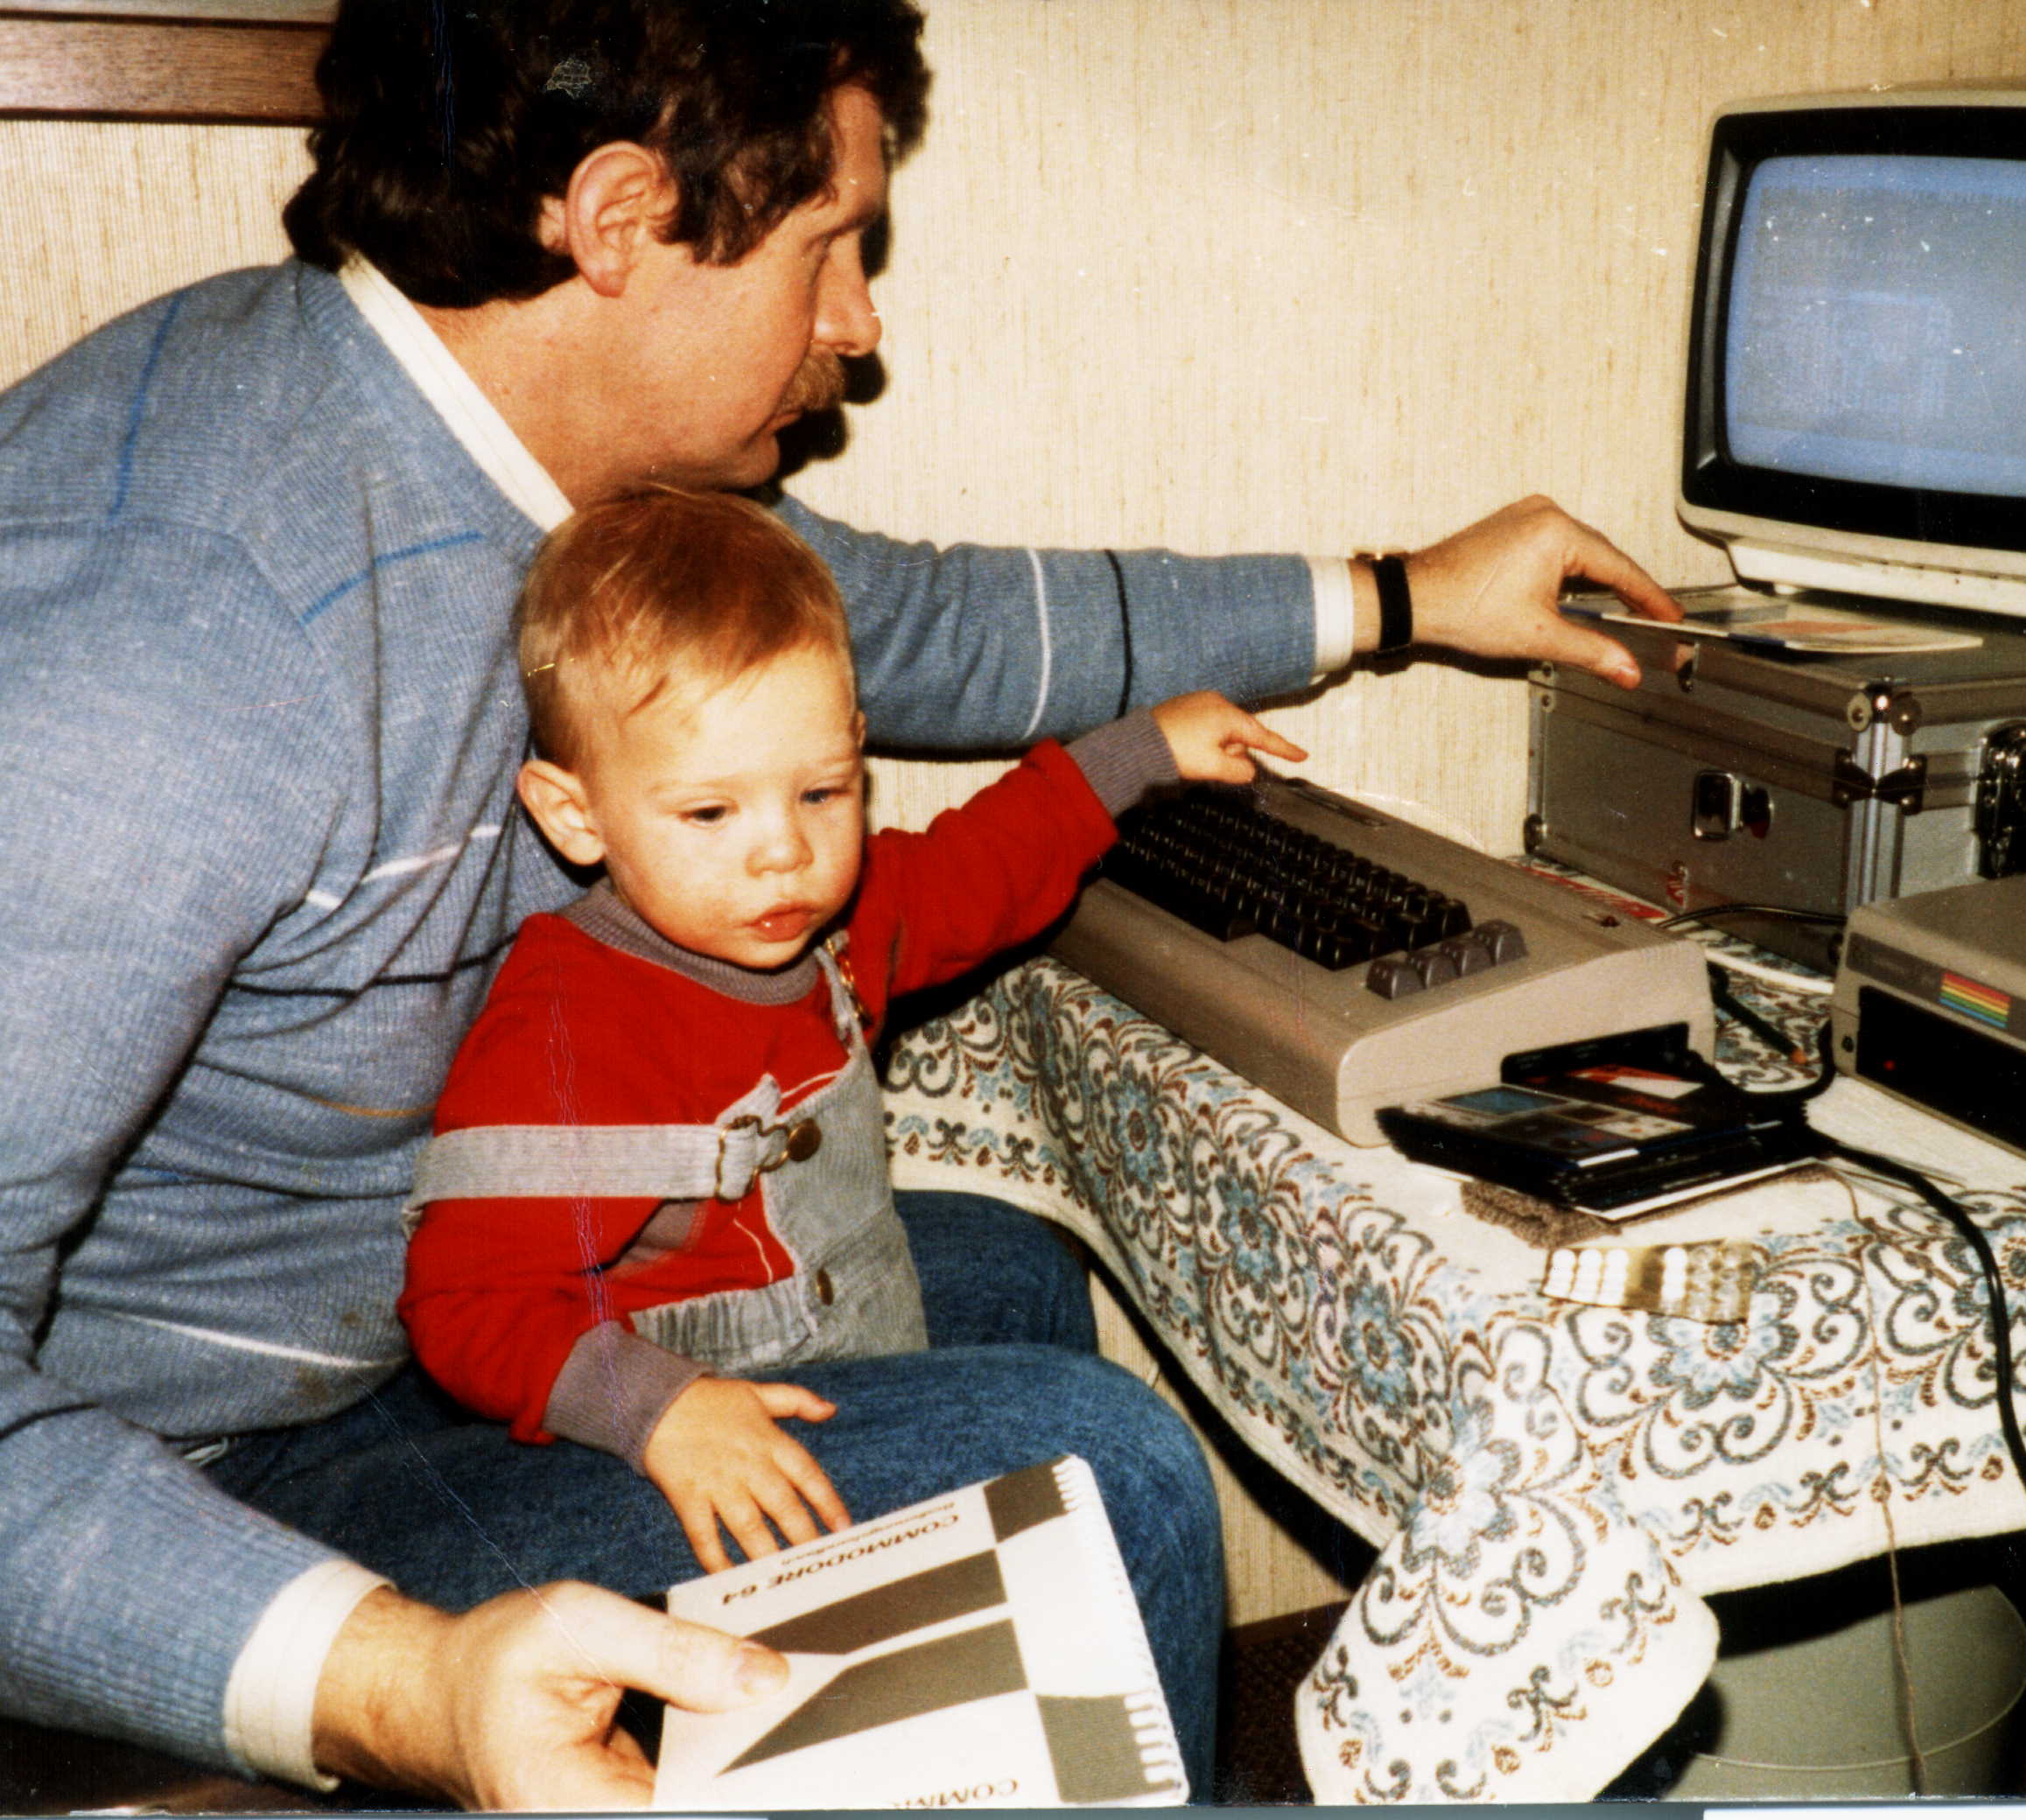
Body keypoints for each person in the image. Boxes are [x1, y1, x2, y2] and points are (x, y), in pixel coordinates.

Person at [0, 0, 1680, 1807]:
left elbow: (942, 624)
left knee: (1007, 1271)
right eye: (830, 247)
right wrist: (409, 1684)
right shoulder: (169, 632)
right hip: (198, 1483)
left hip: (414, 1321)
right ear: (623, 217)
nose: (860, 324)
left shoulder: (544, 488)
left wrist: (1401, 595)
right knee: (1098, 1465)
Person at [399, 491, 1299, 1762]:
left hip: (817, 1332)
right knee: (1121, 1454)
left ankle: (1018, 1709)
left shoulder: (827, 925)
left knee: (1022, 1257)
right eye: (709, 815)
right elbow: (462, 1304)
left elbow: (976, 870)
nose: (784, 855)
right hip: (670, 1422)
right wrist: (658, 1410)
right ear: (574, 813)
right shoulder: (568, 1029)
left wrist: (1137, 751)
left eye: (821, 792)